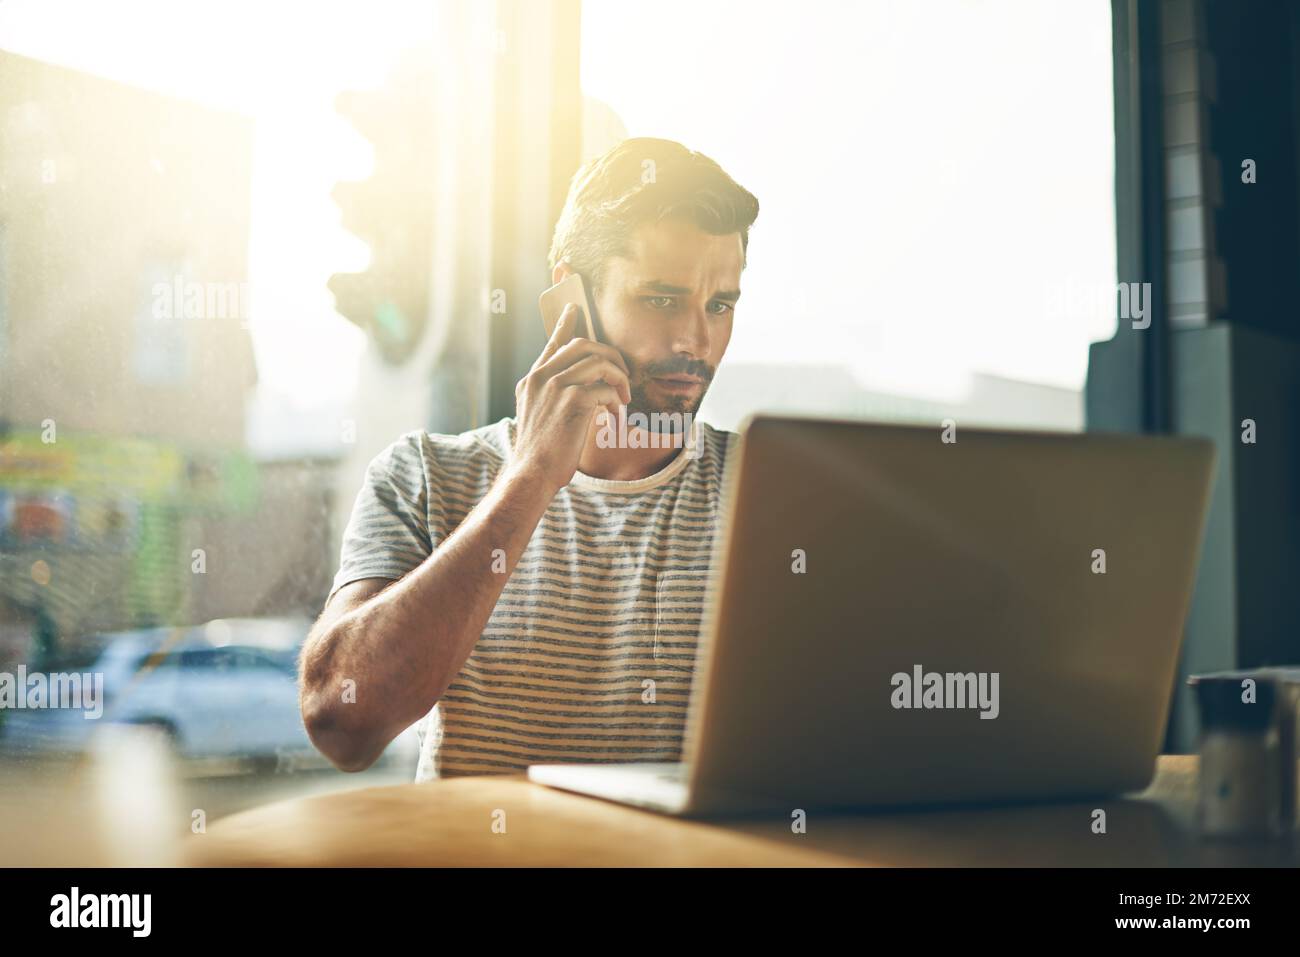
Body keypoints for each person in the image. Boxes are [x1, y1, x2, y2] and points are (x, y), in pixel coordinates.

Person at [299, 137, 759, 780]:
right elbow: (342, 724)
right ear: (570, 297)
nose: (695, 340)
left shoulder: (764, 492)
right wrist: (532, 476)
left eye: (720, 305)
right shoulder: (422, 477)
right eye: (660, 298)